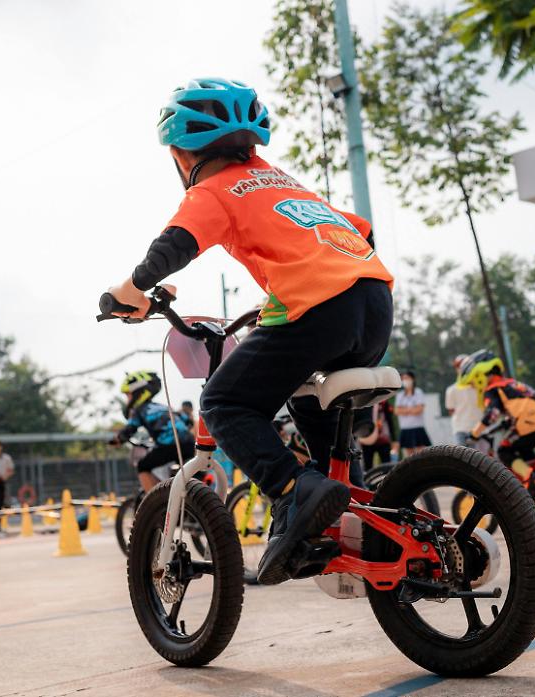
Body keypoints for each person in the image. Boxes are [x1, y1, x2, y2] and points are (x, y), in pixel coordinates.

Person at [102, 78, 393, 585]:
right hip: (374, 299)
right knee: (308, 396)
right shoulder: (281, 180)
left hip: (319, 307)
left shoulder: (212, 189)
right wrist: (287, 290)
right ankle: (361, 515)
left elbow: (173, 246)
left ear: (179, 151)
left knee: (223, 403)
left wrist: (130, 291)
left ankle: (293, 490)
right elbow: (360, 230)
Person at [461, 350, 535, 469]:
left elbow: (492, 414)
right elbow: (521, 407)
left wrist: (474, 434)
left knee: (504, 450)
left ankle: (528, 477)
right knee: (523, 451)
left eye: (473, 383)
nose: (474, 387)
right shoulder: (511, 383)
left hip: (531, 427)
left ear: (480, 376)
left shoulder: (492, 389)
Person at [111, 370, 195, 493]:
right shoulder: (163, 407)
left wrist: (117, 440)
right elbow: (188, 421)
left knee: (143, 466)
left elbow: (130, 429)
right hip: (188, 443)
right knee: (182, 476)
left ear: (137, 393)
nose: (127, 400)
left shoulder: (140, 410)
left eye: (128, 395)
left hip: (169, 445)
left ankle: (155, 504)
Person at [445, 354, 485, 449]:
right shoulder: (452, 390)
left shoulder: (481, 387)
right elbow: (451, 410)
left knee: (484, 461)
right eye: (458, 366)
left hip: (481, 429)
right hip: (461, 430)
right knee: (463, 461)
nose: (461, 368)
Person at [395, 371, 431, 456]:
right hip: (405, 428)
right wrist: (412, 409)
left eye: (407, 378)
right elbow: (397, 411)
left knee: (421, 454)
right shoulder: (400, 395)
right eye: (403, 379)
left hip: (417, 427)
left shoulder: (418, 392)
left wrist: (404, 410)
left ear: (413, 379)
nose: (405, 380)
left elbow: (419, 410)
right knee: (409, 456)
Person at [356, 399, 396, 470]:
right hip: (367, 439)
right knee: (368, 467)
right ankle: (368, 480)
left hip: (383, 439)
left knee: (387, 466)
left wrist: (394, 439)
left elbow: (390, 421)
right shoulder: (364, 401)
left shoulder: (383, 402)